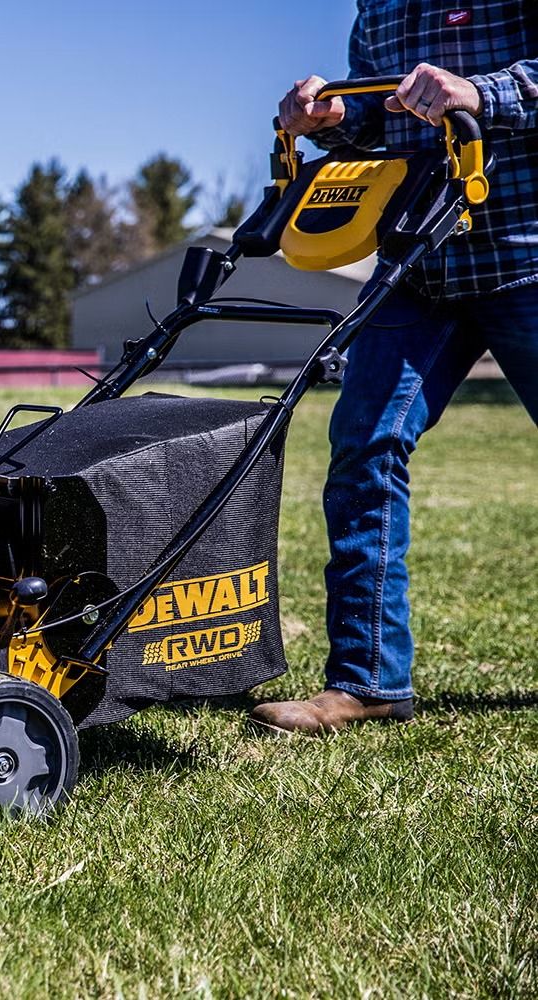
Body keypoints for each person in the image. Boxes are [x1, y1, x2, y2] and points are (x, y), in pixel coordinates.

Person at [249, 3, 538, 735]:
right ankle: (368, 681)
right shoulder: (380, 6)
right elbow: (382, 129)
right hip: (420, 266)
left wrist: (482, 92)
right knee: (364, 449)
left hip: (528, 256)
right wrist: (332, 119)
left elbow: (489, 91)